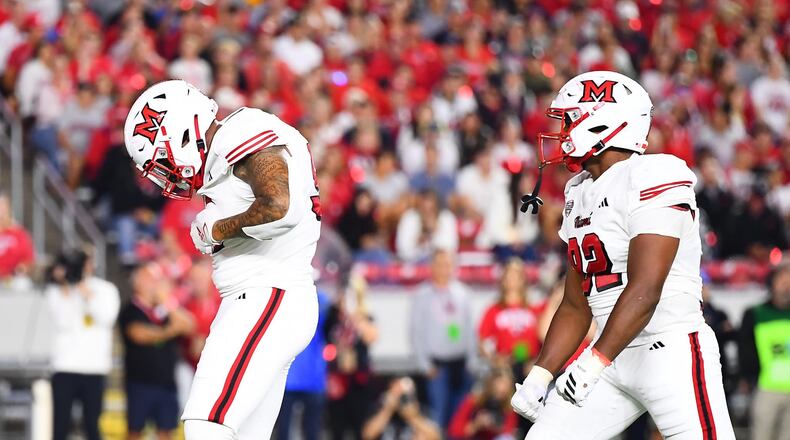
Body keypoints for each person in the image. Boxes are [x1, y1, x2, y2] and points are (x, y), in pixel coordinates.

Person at [511, 71, 736, 439]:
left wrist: (593, 363)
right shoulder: (578, 191)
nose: (562, 131)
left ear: (601, 123)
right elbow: (574, 303)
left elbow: (646, 288)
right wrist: (540, 375)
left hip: (669, 351)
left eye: (569, 119)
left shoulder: (654, 173)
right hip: (611, 357)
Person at [123, 79, 321, 439]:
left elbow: (281, 208)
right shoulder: (223, 155)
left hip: (267, 295)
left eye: (161, 158)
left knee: (205, 425)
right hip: (267, 298)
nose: (164, 171)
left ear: (181, 131)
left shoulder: (241, 130)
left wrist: (218, 229)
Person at [46, 249, 120, 440]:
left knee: (92, 426)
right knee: (60, 426)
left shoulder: (106, 289)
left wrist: (84, 292)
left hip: (94, 367)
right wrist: (65, 288)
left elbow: (107, 318)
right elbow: (62, 321)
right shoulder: (56, 290)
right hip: (64, 366)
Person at [119, 263, 195, 440]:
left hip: (166, 382)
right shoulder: (130, 310)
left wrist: (167, 301)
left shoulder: (163, 311)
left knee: (166, 431)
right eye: (150, 279)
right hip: (140, 382)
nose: (155, 284)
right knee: (134, 431)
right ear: (138, 283)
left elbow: (189, 325)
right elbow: (140, 334)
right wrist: (170, 331)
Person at [410, 249, 474, 428]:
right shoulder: (422, 295)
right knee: (437, 417)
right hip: (436, 366)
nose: (444, 269)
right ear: (432, 267)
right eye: (439, 264)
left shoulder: (462, 293)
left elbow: (469, 329)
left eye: (447, 264)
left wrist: (471, 360)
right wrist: (424, 364)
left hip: (460, 365)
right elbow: (416, 331)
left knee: (459, 417)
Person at [737, 263, 790, 440]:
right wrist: (747, 378)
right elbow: (745, 349)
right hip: (766, 387)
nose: (786, 284)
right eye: (782, 279)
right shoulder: (755, 313)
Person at [276, 290, 331, 440]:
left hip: (305, 377)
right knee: (285, 431)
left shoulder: (321, 299)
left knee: (309, 430)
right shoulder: (319, 299)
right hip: (292, 377)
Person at [478, 258, 542, 379]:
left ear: (523, 280)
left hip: (531, 365)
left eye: (516, 275)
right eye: (509, 275)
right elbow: (482, 341)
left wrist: (538, 361)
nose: (512, 280)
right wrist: (494, 359)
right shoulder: (493, 310)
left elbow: (544, 337)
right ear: (503, 280)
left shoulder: (534, 309)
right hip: (505, 366)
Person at [448, 368, 519, 439]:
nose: (502, 390)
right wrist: (476, 424)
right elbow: (454, 431)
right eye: (497, 388)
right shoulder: (475, 401)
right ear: (491, 385)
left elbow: (509, 431)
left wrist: (495, 427)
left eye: (506, 386)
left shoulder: (508, 407)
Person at [361, 377, 441, 440]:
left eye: (404, 395)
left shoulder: (422, 411)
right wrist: (387, 410)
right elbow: (367, 435)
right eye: (397, 393)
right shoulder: (379, 407)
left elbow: (436, 437)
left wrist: (413, 418)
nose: (400, 399)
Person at [0, 191, 34, 288]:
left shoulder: (19, 233)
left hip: (12, 279)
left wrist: (20, 270)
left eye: (3, 207)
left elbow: (28, 260)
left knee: (23, 284)